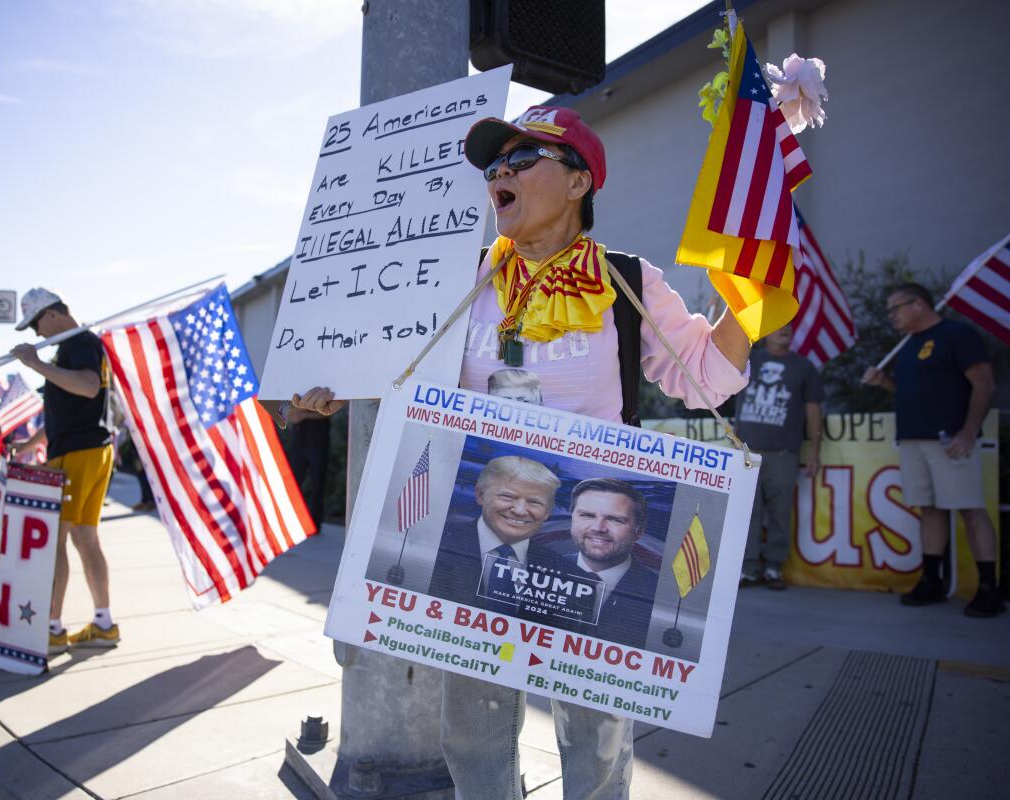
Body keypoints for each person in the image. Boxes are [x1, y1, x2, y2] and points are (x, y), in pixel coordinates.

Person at [293, 105, 752, 800]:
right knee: (471, 735)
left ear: (578, 184)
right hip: (477, 534)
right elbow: (388, 367)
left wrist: (752, 280)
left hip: (588, 540)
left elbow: (710, 375)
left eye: (520, 160)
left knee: (595, 743)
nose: (498, 174)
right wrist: (327, 388)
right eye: (492, 165)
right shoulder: (458, 278)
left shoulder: (625, 280)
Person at [862, 283, 1002, 617]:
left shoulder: (957, 335)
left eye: (895, 308)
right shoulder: (908, 345)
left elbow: (984, 383)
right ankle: (932, 581)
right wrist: (885, 384)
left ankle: (988, 587)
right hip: (913, 439)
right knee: (929, 509)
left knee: (970, 508)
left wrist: (968, 432)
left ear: (919, 304)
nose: (891, 316)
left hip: (950, 440)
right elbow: (915, 392)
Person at [11, 288, 120, 654]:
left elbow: (88, 388)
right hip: (90, 450)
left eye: (36, 324)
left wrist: (35, 364)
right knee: (85, 538)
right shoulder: (74, 346)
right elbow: (66, 410)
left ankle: (52, 627)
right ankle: (103, 622)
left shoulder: (78, 342)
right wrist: (29, 446)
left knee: (55, 540)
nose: (37, 334)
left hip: (78, 453)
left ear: (52, 314)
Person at [734, 324, 823, 590]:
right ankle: (748, 569)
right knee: (747, 513)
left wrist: (816, 450)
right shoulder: (748, 360)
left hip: (783, 453)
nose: (785, 329)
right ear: (765, 331)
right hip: (746, 452)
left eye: (789, 326)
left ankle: (773, 567)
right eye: (778, 325)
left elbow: (814, 411)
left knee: (780, 512)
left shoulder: (804, 367)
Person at [429, 455, 562, 615]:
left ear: (548, 511)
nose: (519, 511)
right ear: (480, 495)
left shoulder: (568, 575)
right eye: (507, 496)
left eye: (534, 502)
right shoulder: (432, 544)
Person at [560, 478, 657, 648]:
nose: (598, 528)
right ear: (573, 519)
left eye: (614, 519)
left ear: (639, 530)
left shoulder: (659, 594)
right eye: (587, 515)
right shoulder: (536, 569)